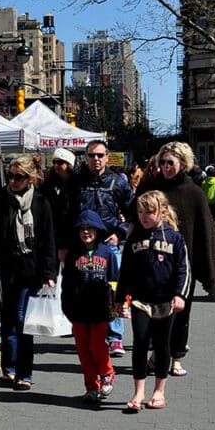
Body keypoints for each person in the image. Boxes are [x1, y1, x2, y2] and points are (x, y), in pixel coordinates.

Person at [136, 142, 215, 377]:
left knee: (180, 313)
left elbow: (205, 230)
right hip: (153, 262)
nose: (165, 167)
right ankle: (157, 355)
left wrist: (210, 269)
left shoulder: (192, 192)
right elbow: (137, 212)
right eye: (162, 162)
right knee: (154, 312)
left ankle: (176, 357)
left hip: (183, 265)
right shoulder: (153, 188)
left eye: (170, 163)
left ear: (182, 164)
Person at [0, 156, 57, 390]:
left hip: (31, 270)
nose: (14, 181)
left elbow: (48, 240)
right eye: (12, 176)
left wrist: (49, 272)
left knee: (24, 320)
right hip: (6, 270)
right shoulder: (0, 200)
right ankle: (9, 368)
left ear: (30, 178)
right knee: (8, 320)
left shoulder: (40, 202)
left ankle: (24, 372)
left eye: (19, 177)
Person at [116, 191, 189, 413]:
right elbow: (125, 271)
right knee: (139, 341)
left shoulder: (174, 238)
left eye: (149, 212)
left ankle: (159, 390)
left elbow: (183, 270)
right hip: (140, 300)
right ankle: (138, 392)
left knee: (161, 344)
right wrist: (120, 298)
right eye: (140, 211)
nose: (143, 216)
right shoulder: (135, 238)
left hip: (166, 302)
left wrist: (180, 295)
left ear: (162, 212)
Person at [72, 140, 134, 358]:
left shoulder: (118, 182)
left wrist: (120, 233)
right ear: (85, 158)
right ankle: (91, 331)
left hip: (109, 245)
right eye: (91, 155)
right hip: (83, 245)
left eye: (99, 155)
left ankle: (115, 337)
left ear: (107, 157)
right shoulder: (76, 182)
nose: (95, 159)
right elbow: (66, 213)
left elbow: (132, 211)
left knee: (113, 289)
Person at [62, 210, 118, 403]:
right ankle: (91, 387)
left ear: (98, 230)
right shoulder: (73, 255)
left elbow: (114, 280)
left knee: (97, 345)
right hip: (78, 309)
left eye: (90, 229)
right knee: (84, 350)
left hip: (99, 309)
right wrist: (66, 307)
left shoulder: (107, 253)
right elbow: (67, 283)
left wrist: (116, 306)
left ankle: (106, 373)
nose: (86, 232)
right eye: (82, 229)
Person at [39, 148, 79, 260]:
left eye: (60, 162)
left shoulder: (77, 183)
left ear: (69, 164)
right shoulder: (49, 183)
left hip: (72, 235)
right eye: (54, 162)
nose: (56, 165)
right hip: (51, 233)